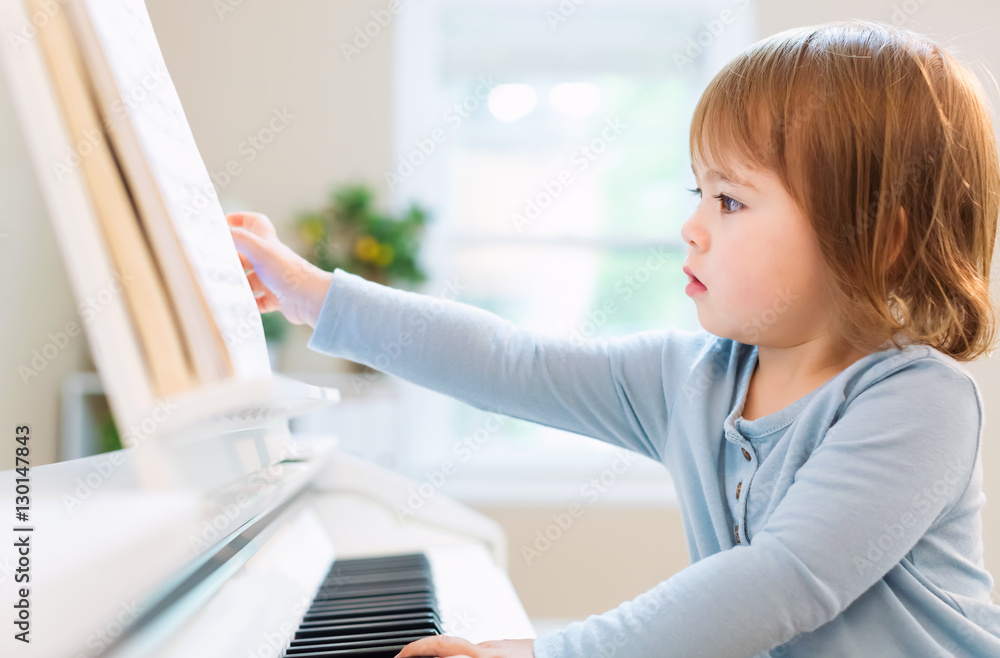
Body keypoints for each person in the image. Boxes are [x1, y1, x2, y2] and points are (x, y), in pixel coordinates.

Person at [227, 19, 1000, 658]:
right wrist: (317, 297)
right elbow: (510, 363)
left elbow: (778, 581)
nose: (691, 228)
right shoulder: (693, 377)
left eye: (731, 202)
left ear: (877, 237)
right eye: (700, 192)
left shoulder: (916, 403)